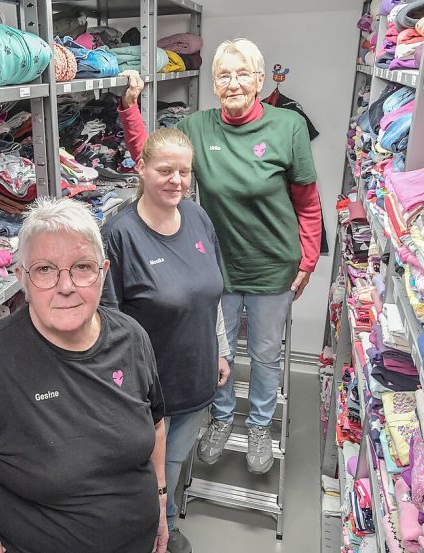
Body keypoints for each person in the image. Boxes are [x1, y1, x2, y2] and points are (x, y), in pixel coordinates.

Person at [0, 197, 170, 553]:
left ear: (103, 273)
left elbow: (154, 423)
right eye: (45, 270)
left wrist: (161, 500)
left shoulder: (131, 337)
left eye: (82, 267)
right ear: (21, 279)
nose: (66, 285)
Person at [117, 37, 322, 475]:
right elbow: (149, 159)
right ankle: (223, 418)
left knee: (266, 354)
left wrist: (307, 260)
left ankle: (261, 425)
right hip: (215, 268)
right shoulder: (198, 126)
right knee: (216, 348)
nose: (233, 83)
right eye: (224, 75)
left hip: (272, 265)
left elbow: (307, 200)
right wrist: (129, 109)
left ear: (260, 80)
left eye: (243, 73)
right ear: (213, 83)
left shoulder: (289, 126)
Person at [101, 127, 229, 553]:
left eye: (185, 172)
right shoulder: (120, 233)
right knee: (141, 473)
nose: (177, 180)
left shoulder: (198, 217)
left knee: (171, 467)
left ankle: (166, 526)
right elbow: (108, 321)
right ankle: (142, 535)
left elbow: (211, 293)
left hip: (197, 376)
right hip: (145, 391)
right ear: (142, 168)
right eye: (165, 170)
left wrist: (221, 349)